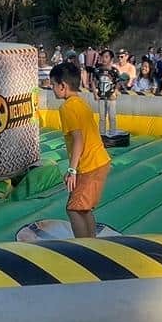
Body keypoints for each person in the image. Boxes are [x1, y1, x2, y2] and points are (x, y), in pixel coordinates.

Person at [49, 61, 111, 239]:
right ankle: (91, 241)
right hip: (100, 162)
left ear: (63, 86)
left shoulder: (67, 107)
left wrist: (72, 170)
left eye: (53, 84)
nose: (52, 88)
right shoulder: (80, 102)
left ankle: (84, 247)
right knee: (83, 209)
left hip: (89, 166)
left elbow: (78, 139)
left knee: (73, 209)